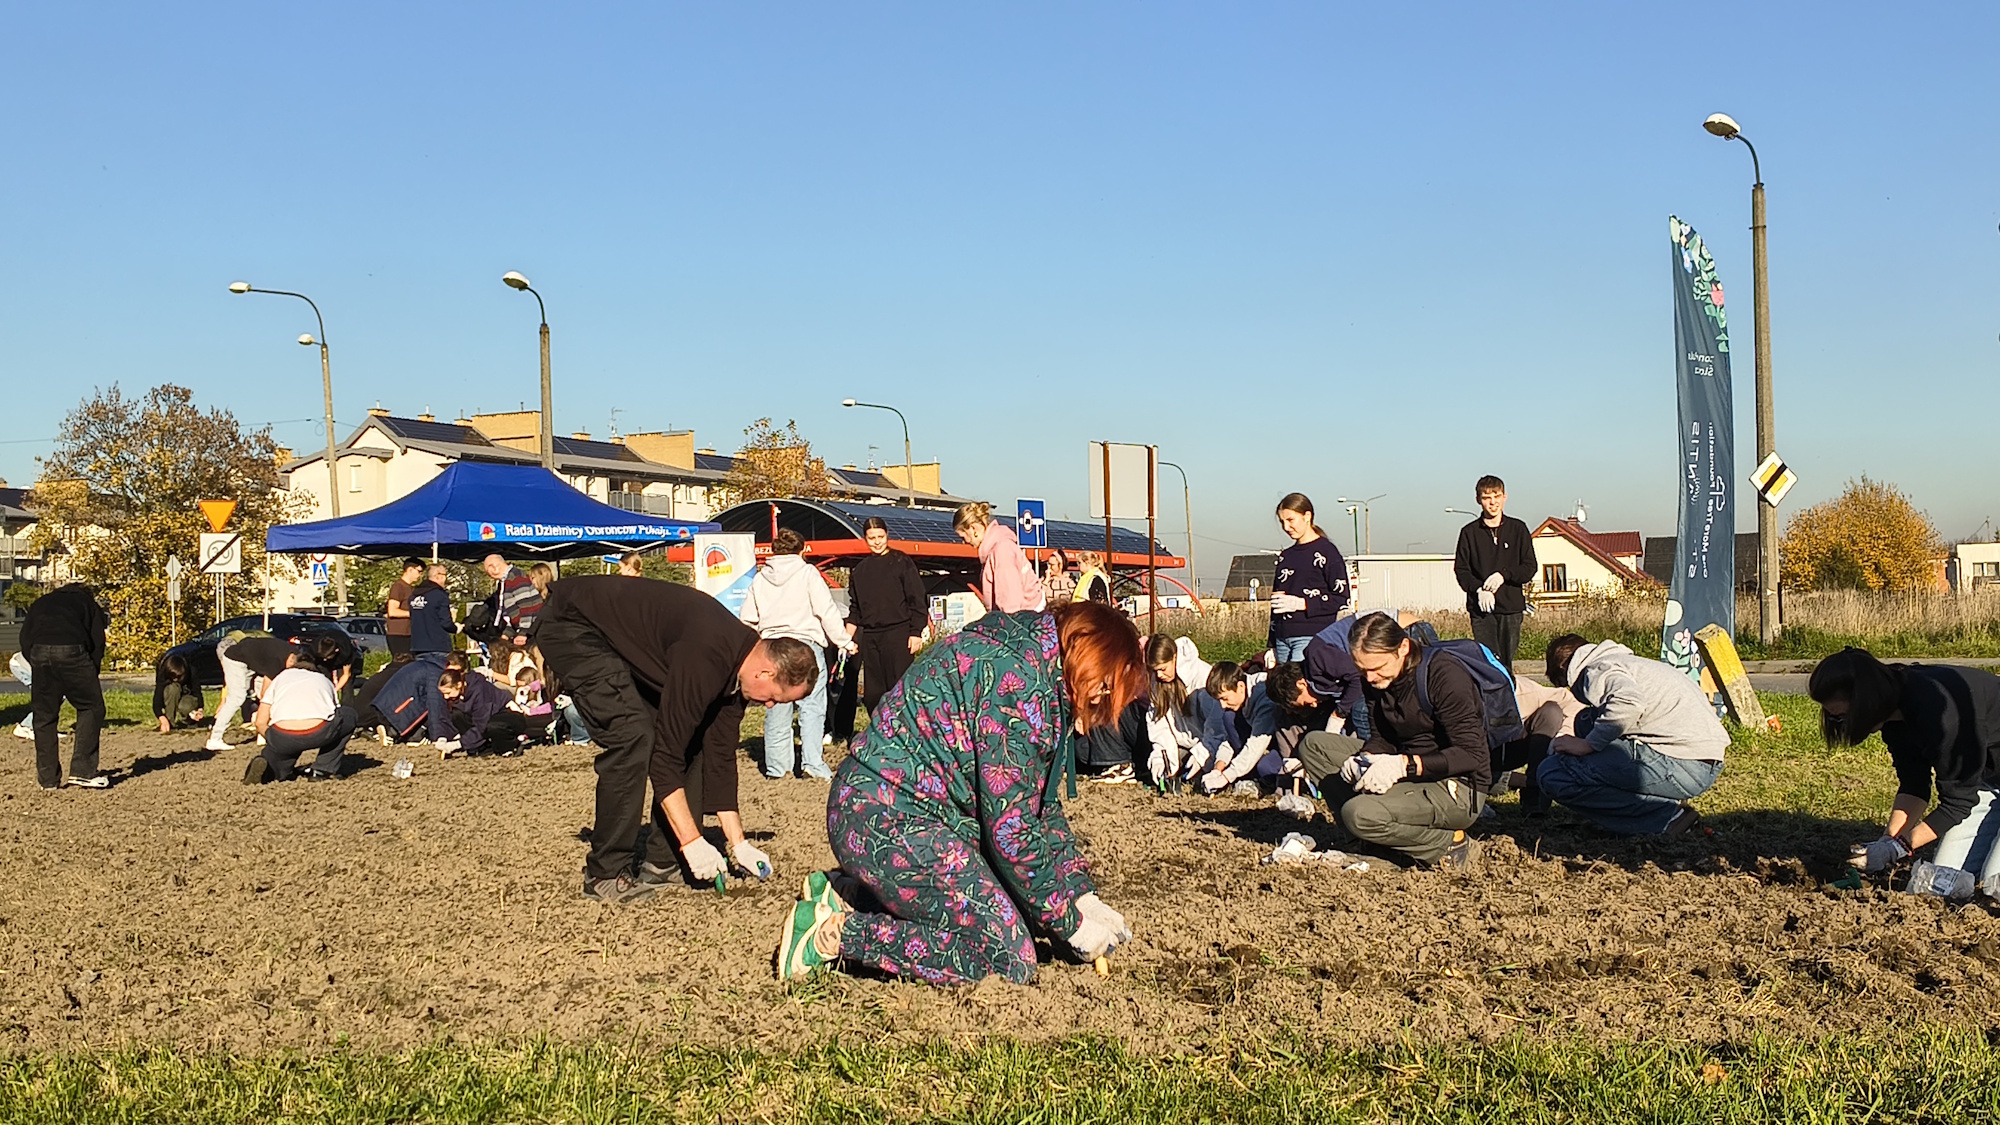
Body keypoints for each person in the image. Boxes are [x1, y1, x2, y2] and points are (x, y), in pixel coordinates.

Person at [777, 601, 1144, 984]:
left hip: (902, 813)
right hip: (883, 815)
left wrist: (1082, 895)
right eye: (1104, 687)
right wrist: (1070, 922)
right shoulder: (1017, 684)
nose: (1101, 701)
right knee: (1007, 955)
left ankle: (851, 894)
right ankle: (832, 935)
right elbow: (1011, 833)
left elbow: (1039, 809)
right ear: (1087, 656)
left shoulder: (1032, 662)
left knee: (1019, 908)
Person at [534, 575, 816, 904]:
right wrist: (693, 839)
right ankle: (605, 874)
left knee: (692, 740)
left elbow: (720, 756)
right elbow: (664, 757)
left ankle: (663, 862)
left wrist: (738, 843)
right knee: (633, 737)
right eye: (775, 698)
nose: (769, 705)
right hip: (573, 625)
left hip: (621, 640)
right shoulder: (707, 656)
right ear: (766, 673)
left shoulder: (739, 669)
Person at [1295, 614, 1487, 868]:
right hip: (1407, 766)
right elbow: (1382, 737)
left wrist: (1403, 765)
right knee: (1315, 746)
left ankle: (1448, 844)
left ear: (1403, 648)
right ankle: (1369, 840)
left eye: (1377, 668)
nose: (1370, 678)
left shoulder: (1444, 675)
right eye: (1362, 669)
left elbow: (1470, 755)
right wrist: (1366, 757)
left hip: (1457, 786)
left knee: (1358, 813)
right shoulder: (1374, 680)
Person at [1809, 648, 2000, 896]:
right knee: (1938, 883)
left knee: (1994, 885)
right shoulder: (1894, 713)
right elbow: (1914, 786)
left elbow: (1958, 803)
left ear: (1867, 701)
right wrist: (1886, 842)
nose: (1841, 725)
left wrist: (1898, 848)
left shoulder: (1941, 711)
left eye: (1842, 717)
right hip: (1988, 780)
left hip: (1980, 782)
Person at [1536, 634, 1725, 835]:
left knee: (1553, 773)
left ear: (1565, 669)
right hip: (1702, 760)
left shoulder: (1597, 670)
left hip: (1681, 765)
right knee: (1586, 720)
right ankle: (1661, 805)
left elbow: (1629, 703)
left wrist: (1587, 745)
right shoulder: (1629, 663)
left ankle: (1667, 817)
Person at [739, 529, 855, 780]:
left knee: (777, 706)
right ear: (802, 551)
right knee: (812, 707)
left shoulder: (761, 578)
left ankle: (777, 768)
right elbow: (826, 610)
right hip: (805, 645)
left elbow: (747, 618)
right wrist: (844, 641)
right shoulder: (807, 573)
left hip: (771, 646)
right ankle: (812, 763)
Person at [844, 516, 928, 731]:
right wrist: (844, 639)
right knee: (873, 694)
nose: (877, 542)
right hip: (871, 637)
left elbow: (917, 599)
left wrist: (916, 632)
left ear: (887, 535)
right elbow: (856, 609)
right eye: (872, 538)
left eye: (880, 536)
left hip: (899, 634)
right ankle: (881, 731)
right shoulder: (860, 571)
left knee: (899, 687)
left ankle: (906, 731)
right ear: (865, 538)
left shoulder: (901, 562)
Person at [23, 582, 110, 790]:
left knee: (44, 716)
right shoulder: (87, 604)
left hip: (39, 651)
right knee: (91, 707)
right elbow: (97, 642)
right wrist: (91, 672)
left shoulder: (41, 602)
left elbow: (25, 637)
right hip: (72, 650)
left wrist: (36, 661)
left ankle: (48, 779)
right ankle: (83, 771)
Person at [1453, 476, 1537, 676]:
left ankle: (1510, 702)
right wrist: (1478, 589)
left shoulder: (1518, 529)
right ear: (1478, 500)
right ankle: (1490, 704)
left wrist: (1504, 575)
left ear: (1505, 497)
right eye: (1486, 497)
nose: (1492, 502)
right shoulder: (1469, 533)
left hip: (1511, 609)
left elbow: (1529, 567)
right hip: (1481, 611)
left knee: (1506, 663)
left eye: (1496, 496)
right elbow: (1461, 570)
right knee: (1488, 663)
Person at [244, 650, 357, 784]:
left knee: (278, 755)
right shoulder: (323, 679)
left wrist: (272, 739)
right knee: (349, 715)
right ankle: (323, 769)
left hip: (283, 734)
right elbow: (335, 712)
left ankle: (271, 771)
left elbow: (260, 722)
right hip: (319, 731)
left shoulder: (280, 678)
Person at [1268, 494, 1349, 663]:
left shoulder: (1327, 552)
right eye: (1282, 522)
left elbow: (1342, 598)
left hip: (1312, 635)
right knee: (1284, 688)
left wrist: (1303, 604)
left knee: (1300, 686)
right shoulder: (1286, 556)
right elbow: (1277, 602)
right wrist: (1272, 644)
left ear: (1307, 516)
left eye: (1291, 520)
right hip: (1283, 637)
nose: (1286, 527)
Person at [1192, 661, 1285, 794]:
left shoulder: (1264, 698)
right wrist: (1218, 768)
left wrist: (1226, 777)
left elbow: (1255, 746)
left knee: (1266, 768)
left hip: (1283, 741)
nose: (1222, 705)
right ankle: (1246, 773)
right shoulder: (1237, 700)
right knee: (1228, 717)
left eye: (1225, 698)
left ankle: (1256, 778)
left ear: (1240, 686)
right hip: (1261, 739)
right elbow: (1228, 741)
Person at [1143, 635, 1222, 788]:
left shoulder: (1202, 678)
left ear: (1174, 658)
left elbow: (1217, 726)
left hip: (1210, 745)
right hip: (1184, 747)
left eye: (1162, 669)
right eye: (1155, 670)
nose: (1159, 675)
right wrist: (1161, 757)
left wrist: (1201, 755)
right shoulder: (1157, 682)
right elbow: (1159, 725)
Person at [953, 501, 1045, 614]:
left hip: (1023, 621)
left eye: (963, 537)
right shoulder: (999, 546)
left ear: (973, 529)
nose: (964, 542)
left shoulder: (1002, 550)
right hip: (1028, 615)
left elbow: (1010, 600)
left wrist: (1006, 627)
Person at [437, 666, 527, 757]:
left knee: (492, 726)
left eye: (448, 693)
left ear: (459, 685)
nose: (446, 697)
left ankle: (509, 746)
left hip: (508, 715)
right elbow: (444, 716)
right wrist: (442, 737)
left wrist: (458, 744)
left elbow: (481, 725)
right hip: (487, 717)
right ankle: (480, 748)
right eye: (443, 694)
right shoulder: (455, 695)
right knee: (457, 715)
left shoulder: (480, 690)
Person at [483, 552, 543, 651]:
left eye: (487, 572)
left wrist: (523, 633)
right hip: (527, 632)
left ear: (493, 568)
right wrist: (506, 634)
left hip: (534, 635)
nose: (489, 576)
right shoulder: (506, 582)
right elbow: (513, 614)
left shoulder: (516, 578)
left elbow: (527, 607)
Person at [153, 652, 206, 733]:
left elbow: (197, 692)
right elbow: (157, 700)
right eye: (173, 677)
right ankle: (169, 723)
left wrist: (200, 709)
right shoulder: (163, 674)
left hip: (186, 697)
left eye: (179, 677)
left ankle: (190, 721)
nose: (176, 679)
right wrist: (162, 718)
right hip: (170, 696)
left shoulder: (192, 671)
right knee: (173, 688)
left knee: (185, 706)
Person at [384, 558, 425, 661]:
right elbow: (392, 611)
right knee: (401, 664)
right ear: (410, 569)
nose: (420, 575)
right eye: (419, 571)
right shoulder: (398, 587)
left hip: (410, 633)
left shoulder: (411, 589)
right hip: (398, 634)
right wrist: (414, 613)